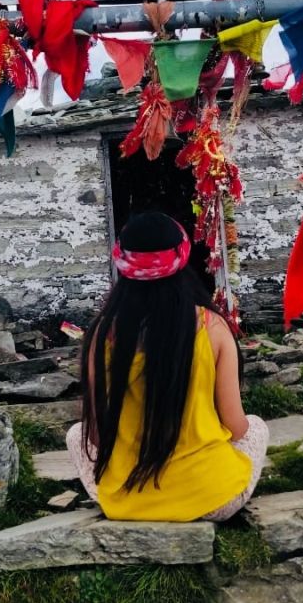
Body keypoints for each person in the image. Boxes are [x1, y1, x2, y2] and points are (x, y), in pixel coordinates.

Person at [66, 211, 269, 522]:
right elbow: (236, 426)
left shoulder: (100, 336)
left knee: (75, 434)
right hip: (213, 500)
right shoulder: (211, 327)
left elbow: (93, 435)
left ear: (122, 261)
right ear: (183, 256)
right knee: (256, 426)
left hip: (126, 503)